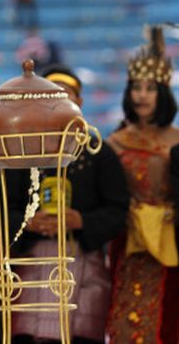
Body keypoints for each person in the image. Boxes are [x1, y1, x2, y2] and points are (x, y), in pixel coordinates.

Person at [6, 65, 130, 343]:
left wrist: (81, 221)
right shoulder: (21, 150)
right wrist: (28, 222)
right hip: (33, 261)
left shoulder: (99, 152)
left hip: (84, 260)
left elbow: (118, 210)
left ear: (80, 102)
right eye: (51, 95)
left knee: (82, 333)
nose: (60, 102)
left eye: (67, 95)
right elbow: (3, 209)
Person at [105, 27, 179, 343]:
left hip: (171, 240)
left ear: (162, 93)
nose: (142, 95)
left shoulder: (176, 141)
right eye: (136, 87)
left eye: (150, 88)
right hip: (129, 240)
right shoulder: (115, 142)